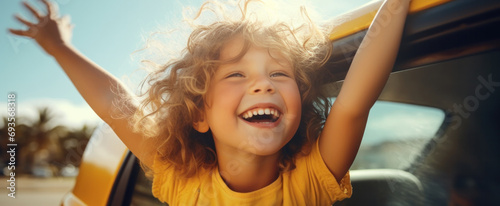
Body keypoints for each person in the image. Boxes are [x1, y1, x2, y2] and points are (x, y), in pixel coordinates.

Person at [10, 0, 410, 205]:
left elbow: (354, 103)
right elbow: (119, 108)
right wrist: (58, 46)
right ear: (199, 114)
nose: (262, 86)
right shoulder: (184, 184)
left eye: (279, 74)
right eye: (237, 74)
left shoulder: (309, 180)